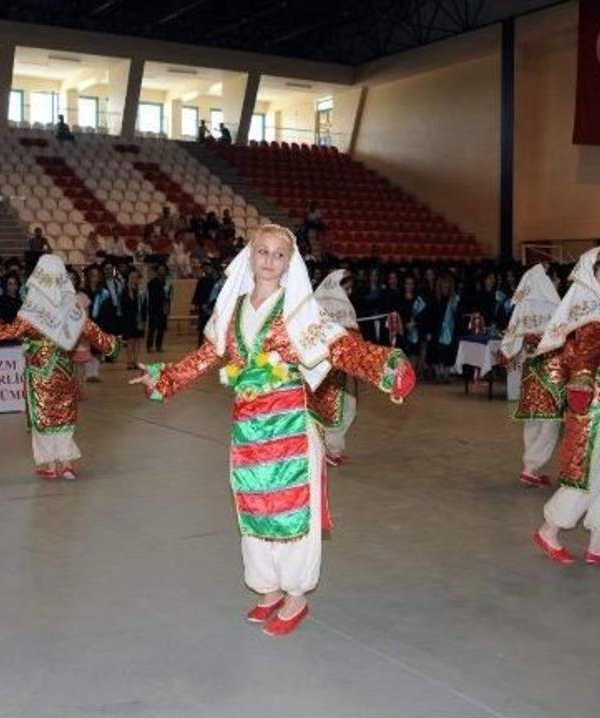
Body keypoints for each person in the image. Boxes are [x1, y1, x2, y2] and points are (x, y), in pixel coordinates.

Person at [130, 225, 416, 636]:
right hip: (248, 427)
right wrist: (166, 377)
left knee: (292, 509)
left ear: (289, 262)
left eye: (278, 254)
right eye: (262, 252)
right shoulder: (232, 307)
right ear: (250, 256)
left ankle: (295, 595)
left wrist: (384, 366)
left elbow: (341, 347)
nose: (268, 260)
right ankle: (267, 589)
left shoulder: (299, 311)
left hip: (290, 427)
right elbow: (209, 353)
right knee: (253, 505)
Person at [0, 255, 120, 480]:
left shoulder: (32, 310)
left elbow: (7, 331)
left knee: (43, 416)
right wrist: (112, 346)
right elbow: (92, 331)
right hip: (64, 369)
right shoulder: (71, 307)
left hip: (39, 371)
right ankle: (66, 463)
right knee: (64, 413)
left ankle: (51, 465)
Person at [532, 246, 600, 566]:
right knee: (592, 469)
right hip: (599, 404)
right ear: (592, 279)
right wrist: (581, 386)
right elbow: (583, 360)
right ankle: (549, 530)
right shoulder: (593, 316)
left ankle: (598, 543)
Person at [499, 264, 563, 488]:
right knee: (551, 420)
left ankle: (532, 469)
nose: (558, 282)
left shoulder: (523, 306)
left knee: (534, 417)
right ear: (547, 281)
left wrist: (517, 346)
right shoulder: (557, 306)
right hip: (552, 366)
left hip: (531, 365)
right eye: (555, 278)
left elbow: (511, 337)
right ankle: (531, 467)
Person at [308, 270, 361, 466]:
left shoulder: (345, 307)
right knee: (331, 408)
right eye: (347, 288)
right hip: (325, 368)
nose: (350, 291)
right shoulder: (316, 304)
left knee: (348, 406)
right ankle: (329, 448)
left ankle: (333, 446)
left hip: (343, 365)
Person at [120, 268, 147, 369]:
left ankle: (135, 361)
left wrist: (143, 319)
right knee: (130, 341)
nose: (134, 279)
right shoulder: (124, 291)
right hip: (128, 320)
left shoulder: (140, 291)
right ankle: (129, 361)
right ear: (128, 278)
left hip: (139, 320)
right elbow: (123, 307)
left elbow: (144, 306)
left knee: (137, 341)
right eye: (132, 277)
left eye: (136, 277)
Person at [146, 263, 172, 353]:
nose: (162, 271)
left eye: (163, 269)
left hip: (163, 308)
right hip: (154, 308)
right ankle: (149, 346)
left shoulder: (167, 282)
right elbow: (153, 296)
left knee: (161, 328)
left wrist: (167, 304)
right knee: (152, 328)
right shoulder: (152, 283)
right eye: (160, 269)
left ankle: (158, 346)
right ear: (157, 271)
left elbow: (169, 296)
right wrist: (163, 293)